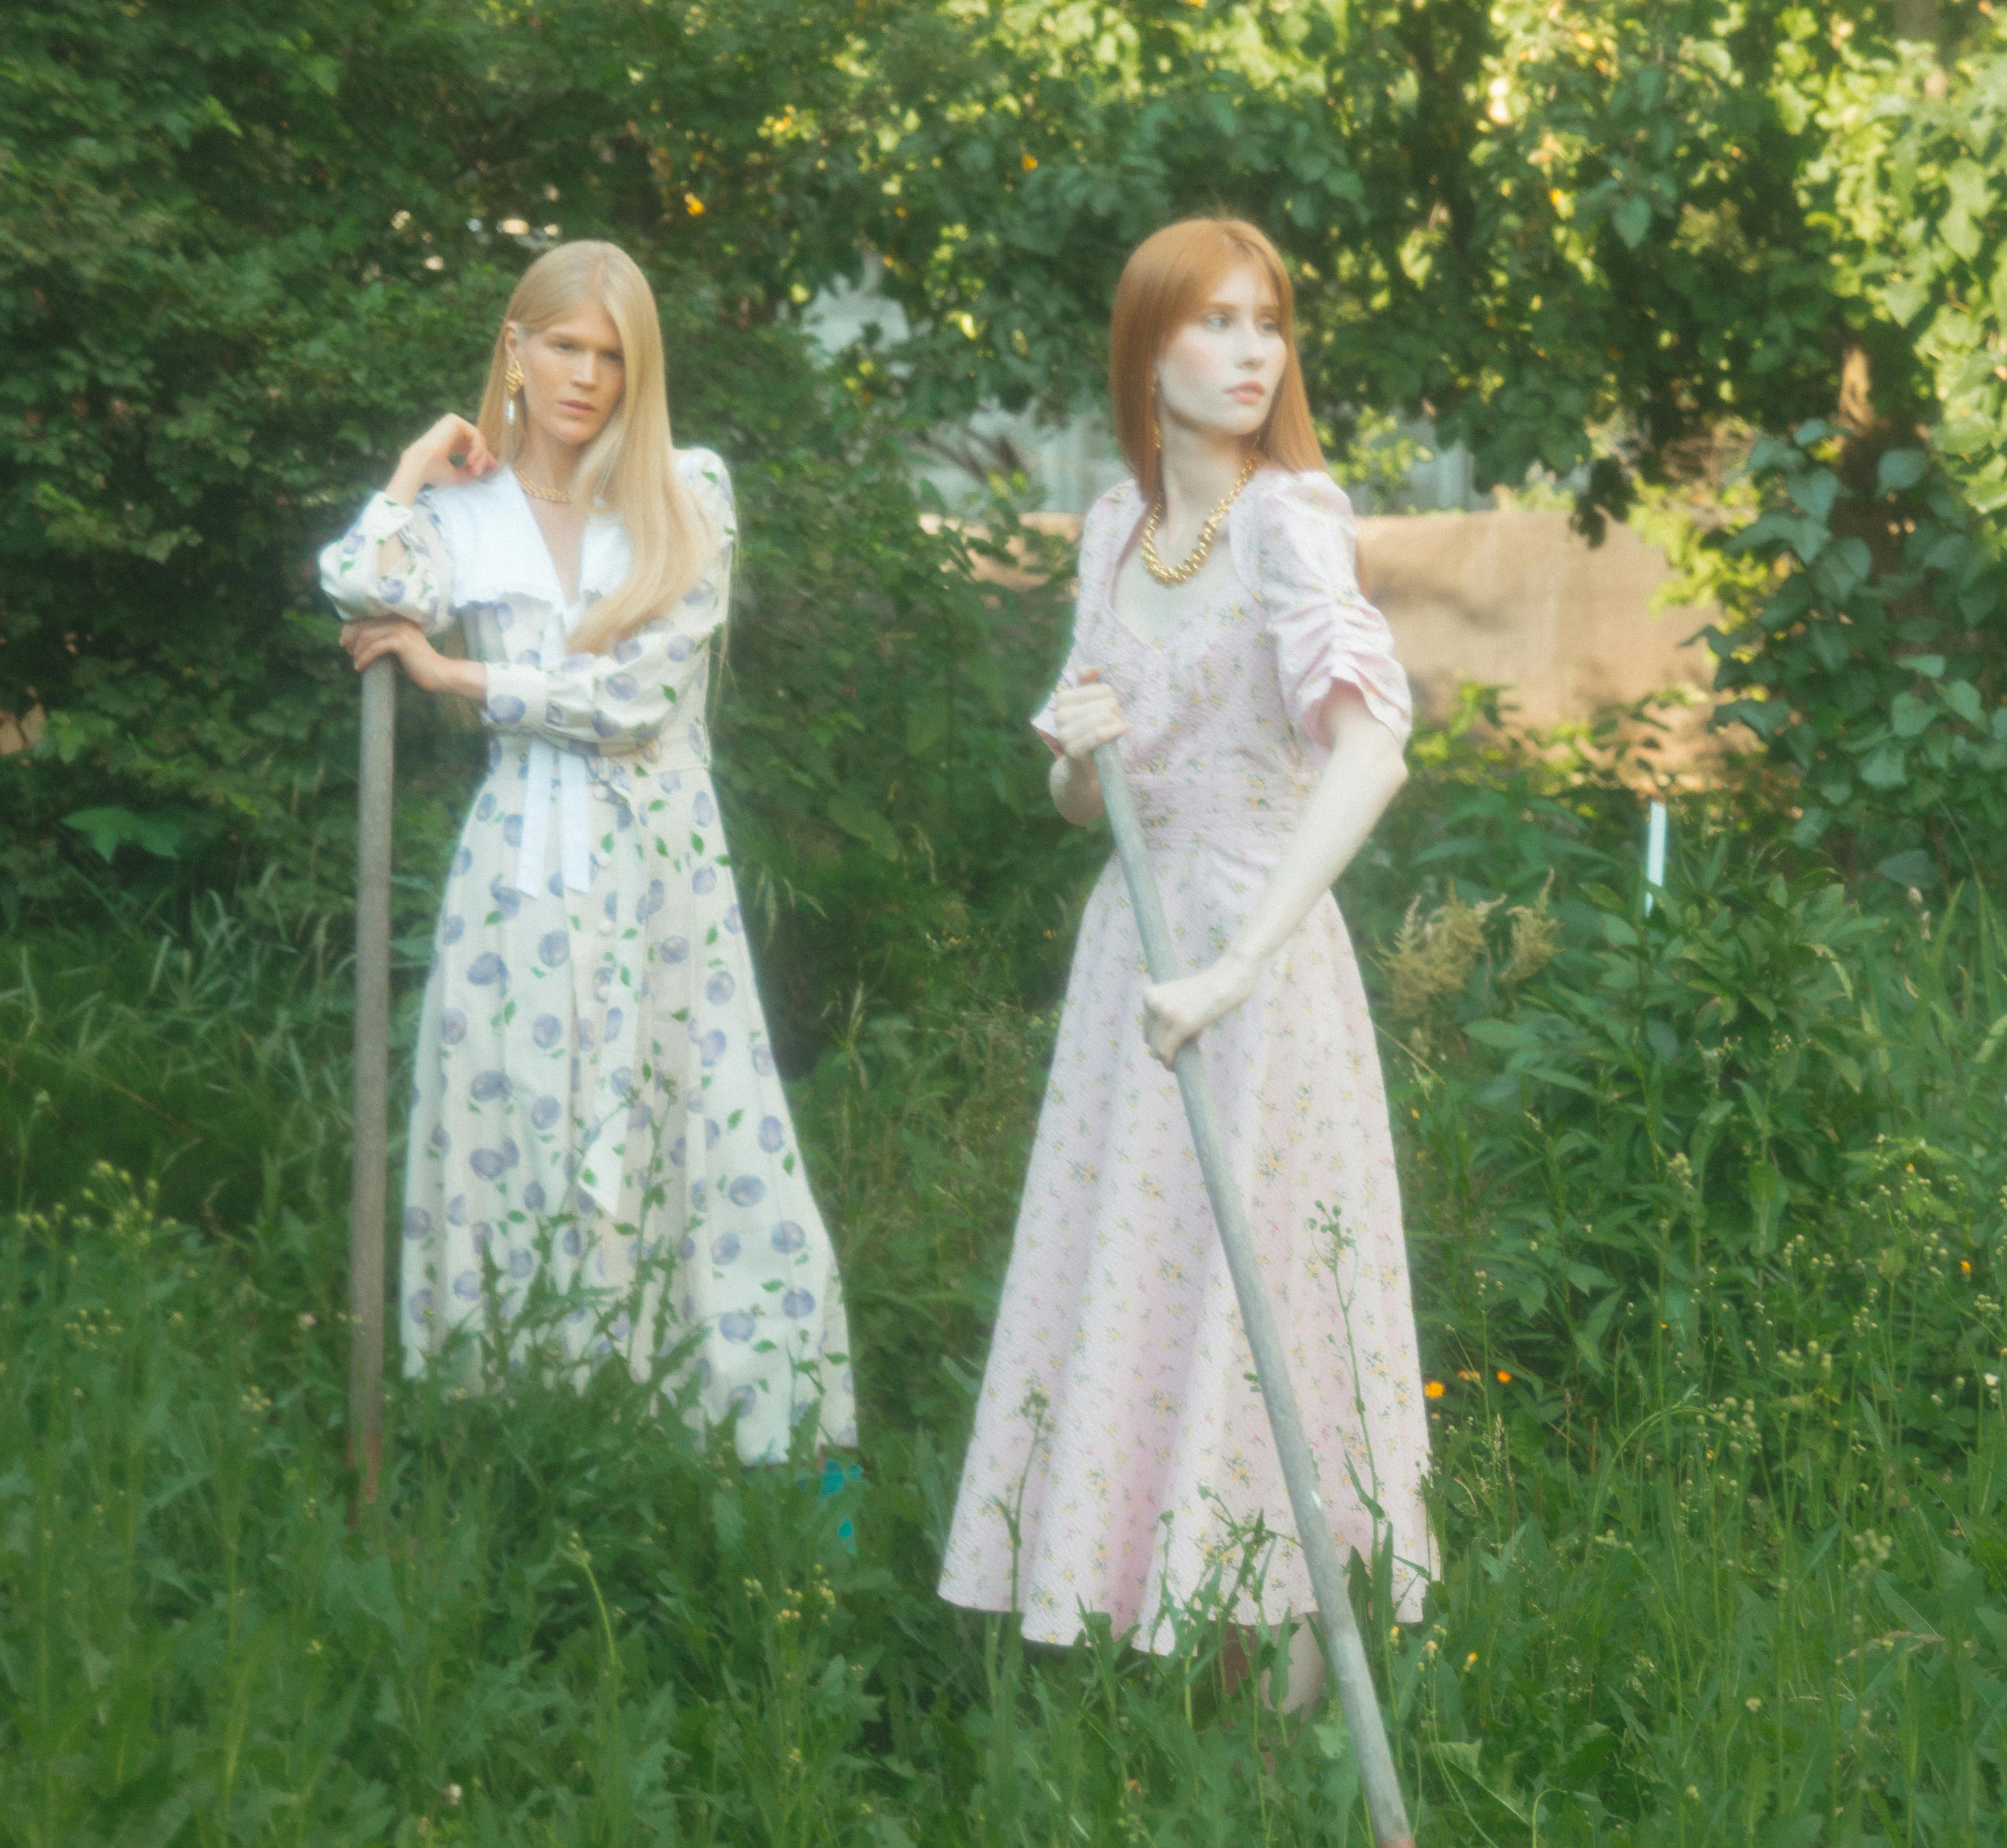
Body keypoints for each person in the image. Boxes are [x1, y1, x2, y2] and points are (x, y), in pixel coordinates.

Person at [937, 216, 1434, 1706]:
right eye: (1214, 324)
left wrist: (1237, 970)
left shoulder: (1295, 522)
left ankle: (1281, 1711)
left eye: (1267, 322)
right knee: (1141, 1284)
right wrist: (1076, 760)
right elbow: (1092, 799)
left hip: (1256, 972)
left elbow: (1376, 755)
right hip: (1129, 970)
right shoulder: (1115, 531)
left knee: (1261, 1296)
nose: (1249, 353)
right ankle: (1143, 1637)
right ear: (1146, 351)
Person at [318, 238, 856, 1465]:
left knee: (706, 1135)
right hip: (519, 868)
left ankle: (761, 1459)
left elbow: (639, 702)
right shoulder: (462, 515)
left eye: (613, 356)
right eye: (564, 345)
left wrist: (460, 673)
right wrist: (413, 465)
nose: (588, 377)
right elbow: (358, 582)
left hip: (662, 869)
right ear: (516, 346)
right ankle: (526, 1448)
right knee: (516, 1128)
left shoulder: (685, 493)